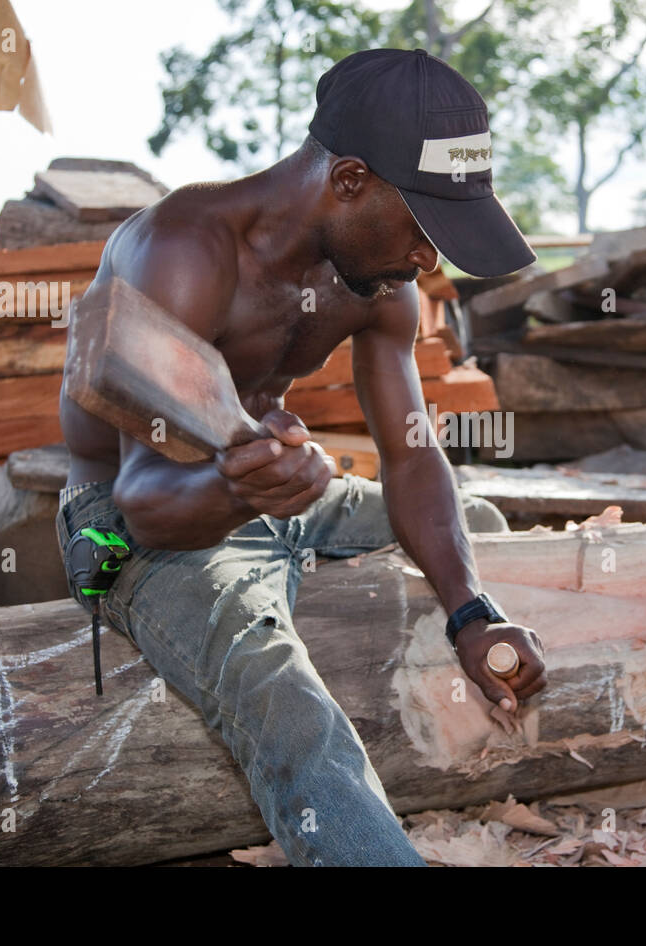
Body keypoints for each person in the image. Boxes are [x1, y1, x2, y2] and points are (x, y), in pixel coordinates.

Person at [56, 48, 548, 866]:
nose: (430, 260)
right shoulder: (184, 249)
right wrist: (252, 492)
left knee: (480, 525)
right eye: (425, 229)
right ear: (349, 179)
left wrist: (470, 611)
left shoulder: (382, 281)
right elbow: (146, 500)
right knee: (286, 699)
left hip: (264, 489)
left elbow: (413, 454)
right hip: (137, 520)